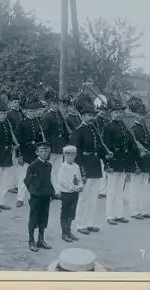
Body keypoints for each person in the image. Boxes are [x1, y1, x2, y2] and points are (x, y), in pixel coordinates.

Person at [72, 94, 111, 235]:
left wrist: (105, 155)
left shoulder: (94, 130)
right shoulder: (79, 131)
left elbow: (99, 147)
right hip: (84, 166)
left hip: (95, 165)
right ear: (82, 115)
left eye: (93, 115)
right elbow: (77, 152)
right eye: (88, 115)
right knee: (84, 197)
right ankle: (80, 224)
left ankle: (89, 223)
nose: (91, 117)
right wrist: (80, 170)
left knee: (93, 197)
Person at [103, 97, 140, 226]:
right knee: (112, 191)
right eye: (115, 112)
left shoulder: (124, 126)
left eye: (120, 112)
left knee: (120, 191)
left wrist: (131, 163)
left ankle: (118, 214)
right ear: (111, 113)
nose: (118, 114)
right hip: (113, 163)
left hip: (123, 163)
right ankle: (109, 215)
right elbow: (105, 147)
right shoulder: (108, 127)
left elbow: (130, 145)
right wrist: (107, 165)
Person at [128, 96, 150, 220]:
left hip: (147, 160)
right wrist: (135, 164)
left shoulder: (144, 128)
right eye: (139, 114)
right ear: (134, 115)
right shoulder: (133, 129)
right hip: (138, 160)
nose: (141, 117)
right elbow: (133, 147)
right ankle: (134, 211)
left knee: (145, 187)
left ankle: (144, 210)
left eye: (143, 115)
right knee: (135, 187)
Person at [23, 141, 54, 252]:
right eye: (41, 151)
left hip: (45, 196)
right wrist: (33, 192)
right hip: (36, 197)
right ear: (37, 152)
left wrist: (51, 193)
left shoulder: (48, 165)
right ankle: (31, 240)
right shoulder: (33, 165)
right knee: (33, 219)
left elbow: (48, 181)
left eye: (46, 151)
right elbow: (27, 181)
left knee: (43, 218)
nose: (44, 153)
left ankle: (40, 240)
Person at [16, 100, 46, 207]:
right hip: (25, 153)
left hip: (36, 154)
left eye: (34, 111)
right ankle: (20, 198)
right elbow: (18, 142)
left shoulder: (38, 122)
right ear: (25, 111)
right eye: (30, 111)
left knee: (35, 177)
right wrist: (19, 155)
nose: (32, 113)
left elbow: (40, 139)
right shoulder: (22, 124)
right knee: (23, 176)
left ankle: (32, 197)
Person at [42, 91, 71, 198]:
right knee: (49, 169)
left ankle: (56, 190)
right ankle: (48, 190)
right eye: (53, 104)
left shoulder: (59, 115)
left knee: (58, 168)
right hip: (51, 145)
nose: (55, 106)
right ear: (50, 104)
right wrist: (46, 146)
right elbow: (44, 132)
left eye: (57, 104)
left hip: (59, 145)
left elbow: (64, 129)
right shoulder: (48, 116)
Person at [58, 145, 83, 243]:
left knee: (72, 212)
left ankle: (69, 231)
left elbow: (79, 178)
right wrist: (72, 188)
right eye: (68, 155)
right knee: (65, 212)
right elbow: (62, 181)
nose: (70, 157)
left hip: (75, 193)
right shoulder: (63, 167)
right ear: (64, 155)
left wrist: (80, 186)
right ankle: (64, 233)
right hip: (66, 193)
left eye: (72, 155)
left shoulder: (76, 166)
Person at [6, 93, 24, 194]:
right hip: (13, 141)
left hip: (21, 140)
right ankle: (10, 185)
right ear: (10, 103)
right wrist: (12, 143)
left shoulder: (21, 113)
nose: (16, 104)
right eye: (14, 102)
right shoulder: (9, 114)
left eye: (18, 102)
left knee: (18, 164)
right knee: (12, 164)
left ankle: (17, 184)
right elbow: (10, 130)